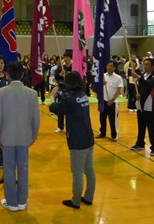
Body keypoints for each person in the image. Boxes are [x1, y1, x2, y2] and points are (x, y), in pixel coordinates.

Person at [0, 61, 40, 212]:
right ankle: (22, 200)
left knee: (8, 169)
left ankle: (12, 202)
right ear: (22, 74)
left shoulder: (1, 92)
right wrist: (33, 136)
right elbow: (36, 118)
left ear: (7, 74)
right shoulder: (32, 93)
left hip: (6, 137)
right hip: (25, 136)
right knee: (23, 168)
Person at [49, 71, 96, 209]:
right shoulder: (83, 95)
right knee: (89, 169)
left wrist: (53, 97)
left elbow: (55, 108)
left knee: (77, 172)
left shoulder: (69, 99)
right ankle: (88, 197)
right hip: (88, 136)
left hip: (77, 139)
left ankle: (75, 200)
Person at [130, 58, 154, 156]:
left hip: (150, 105)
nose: (145, 66)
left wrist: (139, 78)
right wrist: (137, 94)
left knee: (152, 127)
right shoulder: (143, 75)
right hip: (141, 104)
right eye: (144, 64)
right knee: (141, 125)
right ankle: (140, 143)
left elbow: (150, 85)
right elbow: (139, 88)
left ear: (153, 66)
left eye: (147, 64)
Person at [96, 61, 123, 141]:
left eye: (111, 66)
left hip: (112, 102)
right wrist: (101, 84)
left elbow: (118, 90)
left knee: (113, 119)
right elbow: (98, 88)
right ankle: (102, 133)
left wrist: (112, 99)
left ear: (114, 67)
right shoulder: (103, 76)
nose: (109, 67)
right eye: (108, 65)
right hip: (103, 101)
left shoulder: (118, 77)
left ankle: (114, 135)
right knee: (102, 118)